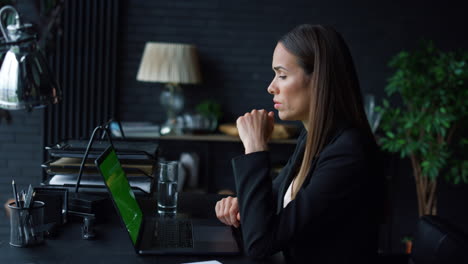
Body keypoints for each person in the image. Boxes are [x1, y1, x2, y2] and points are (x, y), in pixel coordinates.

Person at [215, 24, 383, 263]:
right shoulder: (313, 137)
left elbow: (261, 244)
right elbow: (272, 202)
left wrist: (255, 147)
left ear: (319, 80)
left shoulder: (347, 153)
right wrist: (242, 206)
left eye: (282, 75)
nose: (271, 87)